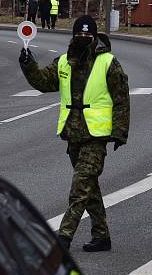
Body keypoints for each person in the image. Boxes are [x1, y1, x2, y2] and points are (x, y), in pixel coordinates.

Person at [18, 15, 129, 252]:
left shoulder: (109, 63)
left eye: (88, 36)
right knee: (89, 188)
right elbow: (43, 82)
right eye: (79, 35)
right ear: (73, 37)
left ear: (95, 37)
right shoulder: (63, 63)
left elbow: (121, 100)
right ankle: (102, 236)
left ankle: (63, 238)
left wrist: (120, 133)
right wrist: (28, 64)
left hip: (97, 137)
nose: (83, 39)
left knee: (79, 189)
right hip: (72, 133)